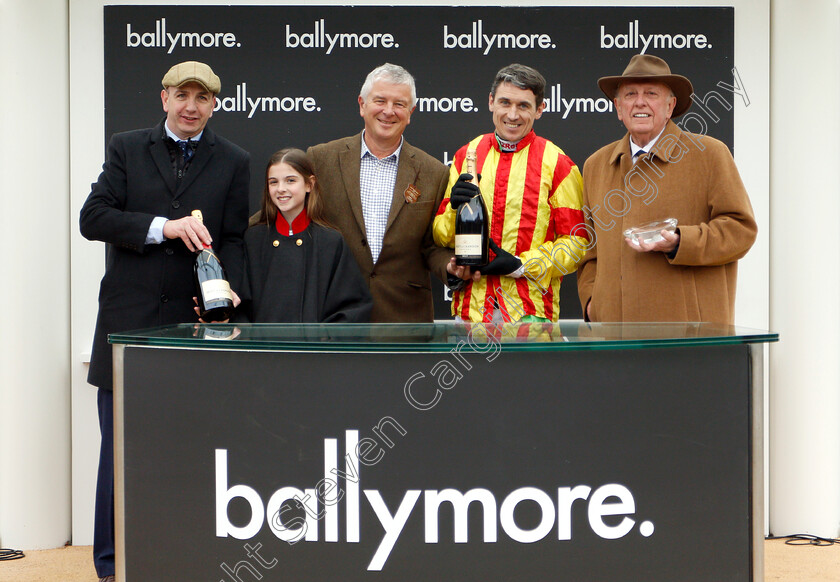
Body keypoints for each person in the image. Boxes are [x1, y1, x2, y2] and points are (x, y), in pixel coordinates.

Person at [79, 61, 250, 582]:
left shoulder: (236, 161)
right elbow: (94, 218)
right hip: (126, 325)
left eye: (203, 97)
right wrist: (163, 227)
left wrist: (232, 292)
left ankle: (187, 553)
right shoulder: (127, 147)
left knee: (192, 445)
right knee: (119, 451)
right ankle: (110, 565)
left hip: (194, 327)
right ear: (164, 99)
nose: (191, 105)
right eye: (182, 95)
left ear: (215, 104)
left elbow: (237, 240)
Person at [577, 54, 757, 324]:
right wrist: (593, 303)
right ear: (617, 107)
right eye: (630, 94)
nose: (640, 102)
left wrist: (681, 241)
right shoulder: (595, 165)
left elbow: (741, 230)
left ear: (670, 105)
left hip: (686, 338)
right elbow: (588, 249)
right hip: (613, 338)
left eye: (651, 93)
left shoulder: (709, 154)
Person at [433, 63, 588, 323]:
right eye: (505, 102)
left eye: (524, 106)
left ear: (540, 109)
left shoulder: (559, 163)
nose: (513, 115)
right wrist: (452, 211)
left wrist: (521, 265)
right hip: (470, 313)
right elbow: (441, 235)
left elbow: (577, 244)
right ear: (491, 102)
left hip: (531, 315)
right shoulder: (467, 155)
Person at [307, 63, 452, 322]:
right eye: (380, 100)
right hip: (333, 314)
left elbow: (433, 247)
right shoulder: (321, 159)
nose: (388, 111)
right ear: (362, 105)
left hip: (405, 320)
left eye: (399, 104)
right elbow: (293, 221)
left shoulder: (435, 172)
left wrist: (451, 267)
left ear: (411, 112)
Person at [239, 149, 372, 322]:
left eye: (290, 181)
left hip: (314, 349)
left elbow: (352, 308)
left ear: (309, 184)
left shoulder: (330, 242)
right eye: (273, 182)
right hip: (264, 348)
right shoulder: (253, 240)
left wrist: (323, 342)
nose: (281, 189)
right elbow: (239, 306)